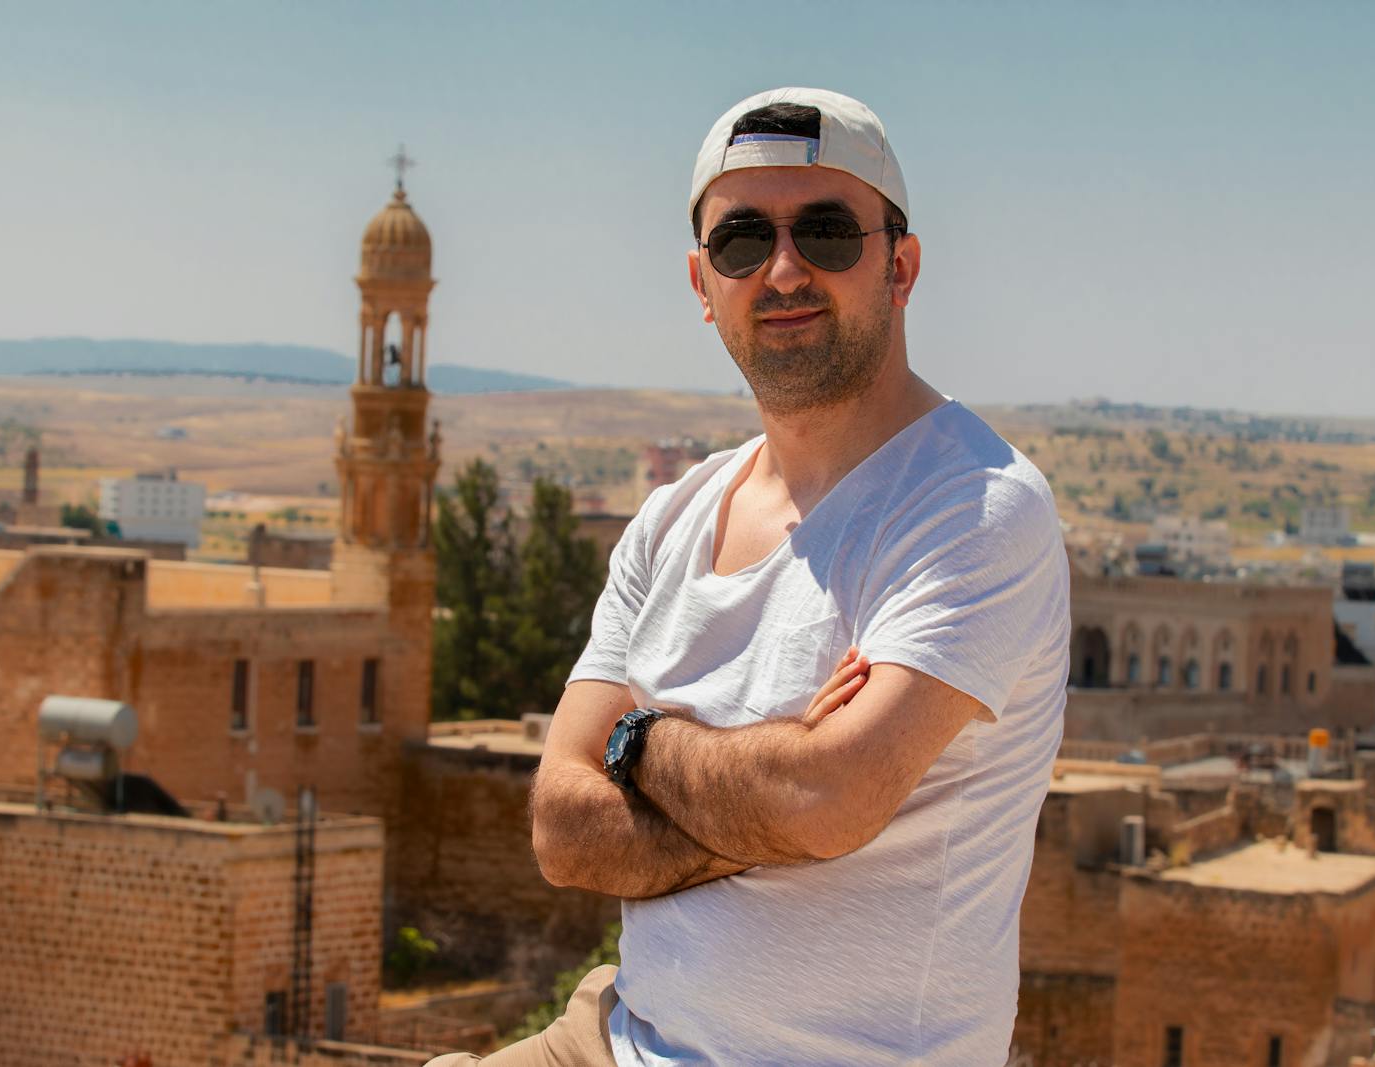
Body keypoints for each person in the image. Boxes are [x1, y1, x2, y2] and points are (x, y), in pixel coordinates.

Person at [430, 87, 1070, 1067]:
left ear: (900, 264)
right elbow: (564, 827)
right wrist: (770, 805)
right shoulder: (673, 517)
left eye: (826, 232)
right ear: (701, 280)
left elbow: (824, 802)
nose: (782, 269)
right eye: (740, 242)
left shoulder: (972, 506)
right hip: (616, 1034)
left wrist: (638, 743)